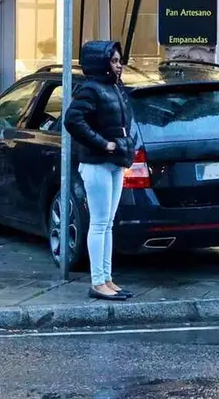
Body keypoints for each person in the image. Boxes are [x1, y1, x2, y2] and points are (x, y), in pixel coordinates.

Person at [64, 41, 134, 301]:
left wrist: (123, 146)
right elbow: (72, 119)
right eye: (114, 61)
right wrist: (102, 143)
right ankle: (97, 281)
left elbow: (125, 122)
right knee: (100, 222)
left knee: (108, 223)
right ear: (102, 63)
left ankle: (106, 278)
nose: (118, 65)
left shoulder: (114, 87)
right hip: (96, 163)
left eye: (119, 61)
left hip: (114, 161)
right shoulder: (91, 89)